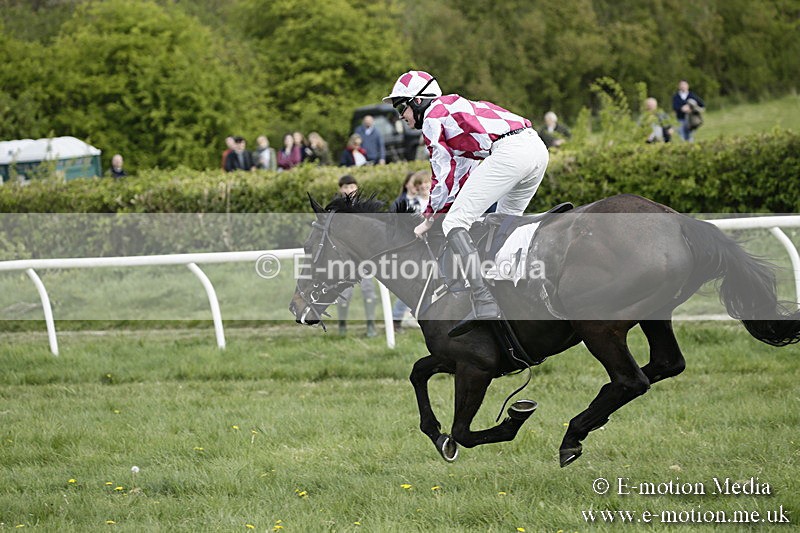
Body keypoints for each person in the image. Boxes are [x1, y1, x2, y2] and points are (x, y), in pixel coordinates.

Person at [384, 69, 549, 337]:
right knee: (503, 226)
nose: (400, 116)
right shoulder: (452, 111)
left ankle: (484, 301)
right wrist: (442, 210)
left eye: (401, 107)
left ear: (418, 101)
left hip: (511, 153)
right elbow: (461, 172)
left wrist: (430, 215)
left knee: (455, 223)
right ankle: (518, 293)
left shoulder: (432, 118)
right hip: (537, 149)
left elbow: (442, 170)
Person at [335, 174, 378, 337]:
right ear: (340, 189)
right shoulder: (336, 207)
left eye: (352, 187)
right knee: (345, 292)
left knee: (368, 290)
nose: (349, 190)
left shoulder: (363, 206)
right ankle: (342, 326)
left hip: (364, 257)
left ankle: (371, 326)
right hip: (345, 258)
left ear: (357, 188)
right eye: (345, 187)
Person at [390, 170, 430, 331]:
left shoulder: (438, 200)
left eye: (426, 182)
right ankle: (397, 317)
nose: (424, 186)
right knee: (414, 282)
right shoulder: (412, 204)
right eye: (420, 184)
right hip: (418, 247)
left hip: (435, 246)